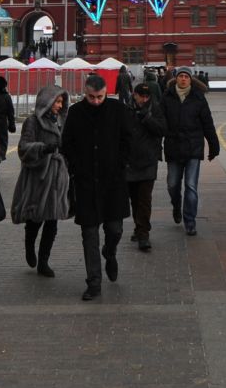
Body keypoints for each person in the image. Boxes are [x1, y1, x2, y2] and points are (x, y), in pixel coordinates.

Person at [62, 73, 136, 301]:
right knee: (89, 234)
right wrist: (75, 168)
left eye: (100, 97)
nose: (95, 101)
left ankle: (110, 252)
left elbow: (128, 139)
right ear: (85, 92)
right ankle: (93, 282)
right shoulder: (75, 113)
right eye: (91, 97)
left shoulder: (118, 110)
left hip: (113, 182)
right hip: (85, 183)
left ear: (107, 92)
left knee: (115, 230)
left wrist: (121, 163)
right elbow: (67, 144)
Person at [10, 85, 69, 278]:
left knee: (52, 222)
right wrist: (43, 148)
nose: (59, 106)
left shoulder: (62, 121)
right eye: (56, 101)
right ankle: (29, 244)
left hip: (56, 177)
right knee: (35, 219)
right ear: (47, 101)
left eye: (61, 102)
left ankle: (44, 262)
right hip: (37, 176)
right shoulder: (32, 122)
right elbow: (23, 148)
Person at [160, 64, 219, 236]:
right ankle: (176, 206)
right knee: (172, 185)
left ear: (190, 79)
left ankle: (190, 221)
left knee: (191, 186)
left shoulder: (198, 98)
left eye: (186, 76)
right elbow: (160, 122)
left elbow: (208, 123)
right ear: (176, 78)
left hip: (193, 147)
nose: (183, 79)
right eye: (181, 76)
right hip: (173, 147)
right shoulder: (167, 97)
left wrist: (214, 145)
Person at [124, 81, 166, 251]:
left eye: (146, 96)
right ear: (134, 95)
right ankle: (138, 226)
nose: (143, 99)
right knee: (134, 199)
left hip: (148, 161)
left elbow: (162, 129)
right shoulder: (126, 110)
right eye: (140, 95)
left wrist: (146, 118)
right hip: (130, 161)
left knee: (144, 200)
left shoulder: (155, 109)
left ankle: (143, 234)